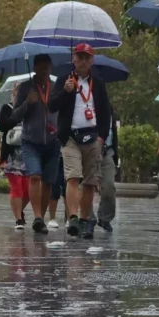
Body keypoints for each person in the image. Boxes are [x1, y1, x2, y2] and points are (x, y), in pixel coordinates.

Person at [49, 43, 112, 240]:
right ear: (73, 60)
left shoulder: (98, 83)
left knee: (90, 182)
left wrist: (101, 137)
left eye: (87, 57)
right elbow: (52, 106)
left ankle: (85, 220)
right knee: (73, 176)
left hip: (92, 137)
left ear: (92, 60)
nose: (83, 61)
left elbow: (105, 111)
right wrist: (65, 91)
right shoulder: (64, 80)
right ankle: (73, 217)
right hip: (70, 137)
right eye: (80, 57)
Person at [10, 53, 61, 234]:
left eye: (47, 66)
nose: (44, 69)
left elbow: (62, 112)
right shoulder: (26, 88)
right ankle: (38, 217)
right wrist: (26, 103)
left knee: (48, 182)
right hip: (31, 141)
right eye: (40, 66)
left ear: (51, 67)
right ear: (34, 68)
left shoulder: (56, 88)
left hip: (53, 141)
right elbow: (15, 116)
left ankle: (42, 218)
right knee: (35, 177)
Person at [0, 87, 29, 229]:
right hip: (11, 155)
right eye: (16, 89)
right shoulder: (7, 108)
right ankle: (18, 219)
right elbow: (2, 126)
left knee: (28, 190)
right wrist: (16, 115)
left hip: (28, 153)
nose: (18, 92)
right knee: (17, 187)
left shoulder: (30, 108)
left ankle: (19, 209)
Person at [96, 107, 121, 232]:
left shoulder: (110, 110)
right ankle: (85, 219)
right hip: (89, 150)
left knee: (109, 186)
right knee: (86, 186)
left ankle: (104, 218)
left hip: (108, 152)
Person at [48, 160, 65, 229]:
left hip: (67, 155)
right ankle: (52, 218)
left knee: (67, 186)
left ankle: (70, 218)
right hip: (56, 156)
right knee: (54, 187)